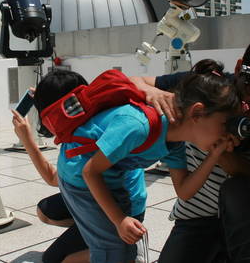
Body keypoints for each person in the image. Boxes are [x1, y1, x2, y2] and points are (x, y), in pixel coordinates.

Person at [32, 66, 240, 263]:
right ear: (196, 113)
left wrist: (214, 155)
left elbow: (184, 192)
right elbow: (90, 172)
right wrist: (119, 220)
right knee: (114, 248)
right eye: (224, 124)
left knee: (121, 249)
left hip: (110, 177)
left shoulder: (175, 143)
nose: (227, 132)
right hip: (79, 178)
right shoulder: (138, 125)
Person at [130, 36, 250, 263]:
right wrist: (154, 93)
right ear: (238, 70)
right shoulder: (208, 87)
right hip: (194, 216)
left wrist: (213, 144)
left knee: (238, 190)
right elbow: (133, 81)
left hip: (244, 215)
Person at [11, 104, 148, 263]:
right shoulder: (89, 119)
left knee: (55, 259)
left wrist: (27, 139)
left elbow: (52, 177)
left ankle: (128, 251)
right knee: (45, 210)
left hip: (124, 209)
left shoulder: (82, 138)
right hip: (99, 197)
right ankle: (100, 235)